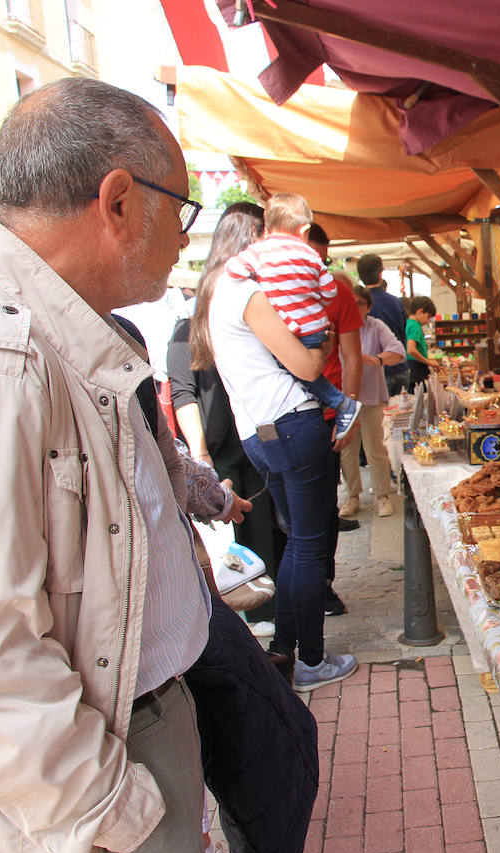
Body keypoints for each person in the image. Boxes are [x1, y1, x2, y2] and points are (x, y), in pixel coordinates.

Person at [0, 77, 229, 853]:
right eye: (181, 211)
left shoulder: (57, 331)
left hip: (129, 732)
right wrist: (114, 806)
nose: (184, 241)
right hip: (91, 787)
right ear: (117, 200)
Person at [207, 201, 359, 693]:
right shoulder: (248, 293)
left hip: (261, 433)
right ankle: (312, 660)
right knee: (309, 547)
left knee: (298, 544)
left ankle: (288, 653)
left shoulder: (215, 294)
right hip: (293, 424)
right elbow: (308, 366)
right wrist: (321, 343)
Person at [168, 202, 287, 629]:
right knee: (236, 551)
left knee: (268, 540)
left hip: (258, 441)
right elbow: (183, 392)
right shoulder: (193, 322)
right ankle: (258, 627)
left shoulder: (254, 308)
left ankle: (272, 624)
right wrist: (201, 456)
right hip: (223, 452)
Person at [224, 192, 360, 440]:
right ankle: (343, 405)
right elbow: (327, 291)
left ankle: (343, 405)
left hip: (314, 410)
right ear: (303, 232)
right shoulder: (304, 266)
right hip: (289, 414)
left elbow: (350, 357)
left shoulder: (257, 268)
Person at [303, 223, 362, 614]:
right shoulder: (259, 291)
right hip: (278, 416)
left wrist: (349, 411)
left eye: (321, 259)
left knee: (324, 507)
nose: (315, 266)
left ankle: (322, 584)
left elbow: (352, 356)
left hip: (325, 414)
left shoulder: (337, 292)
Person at [347, 283, 406, 518]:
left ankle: (382, 495)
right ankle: (353, 496)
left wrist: (375, 360)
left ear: (368, 306)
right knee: (347, 451)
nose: (355, 308)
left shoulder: (375, 326)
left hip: (371, 396)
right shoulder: (338, 327)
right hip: (343, 399)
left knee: (375, 449)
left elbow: (399, 351)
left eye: (360, 303)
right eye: (350, 303)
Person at [356, 252, 409, 396]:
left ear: (360, 276)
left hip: (377, 374)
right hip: (400, 367)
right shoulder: (396, 303)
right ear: (381, 274)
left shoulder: (358, 308)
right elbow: (403, 333)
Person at [405, 295, 441, 391]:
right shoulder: (415, 326)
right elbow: (411, 350)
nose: (428, 321)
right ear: (420, 311)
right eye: (428, 317)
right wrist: (429, 362)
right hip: (416, 368)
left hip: (411, 368)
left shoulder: (408, 323)